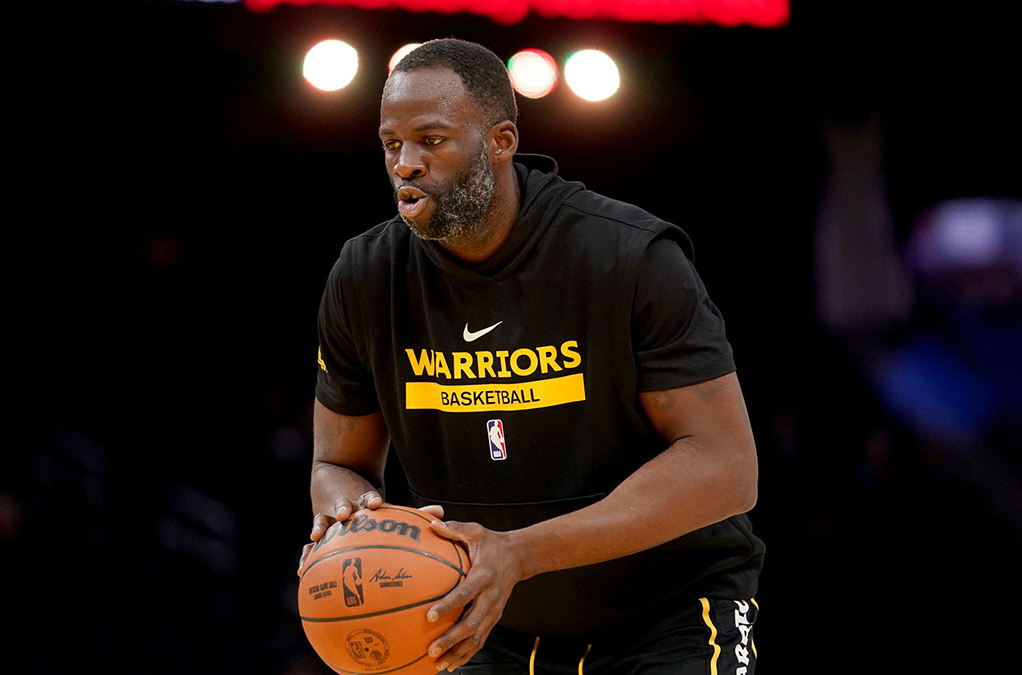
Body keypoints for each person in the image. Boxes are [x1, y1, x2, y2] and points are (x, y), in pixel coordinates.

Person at [303, 38, 764, 674]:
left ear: (501, 141)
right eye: (391, 144)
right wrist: (346, 518)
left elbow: (726, 466)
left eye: (431, 140)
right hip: (485, 614)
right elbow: (336, 464)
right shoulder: (365, 276)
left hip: (667, 611)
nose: (405, 164)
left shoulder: (627, 256)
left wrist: (520, 551)